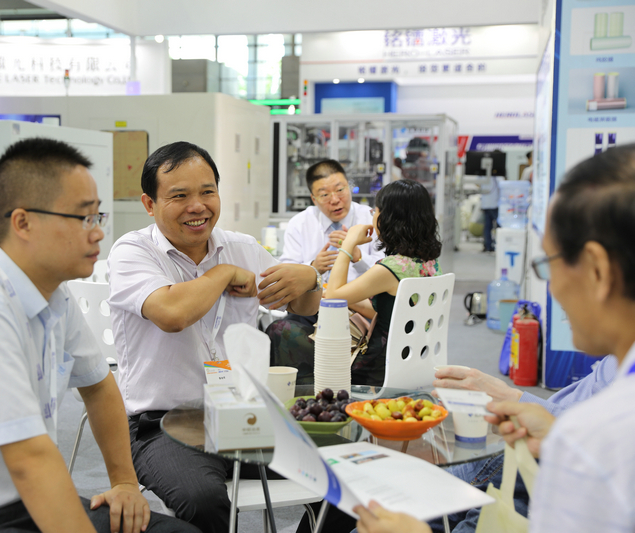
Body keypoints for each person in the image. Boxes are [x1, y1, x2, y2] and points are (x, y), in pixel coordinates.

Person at [0, 138, 198, 533]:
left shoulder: (53, 295)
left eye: (97, 216)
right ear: (23, 223)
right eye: (82, 218)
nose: (97, 233)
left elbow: (99, 387)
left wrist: (126, 484)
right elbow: (30, 460)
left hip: (13, 503)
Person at [353, 144, 635, 533]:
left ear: (597, 270)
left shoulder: (603, 440)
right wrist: (530, 409)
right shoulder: (613, 382)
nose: (552, 289)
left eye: (548, 264)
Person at [107, 141, 322, 533]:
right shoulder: (132, 252)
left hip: (244, 415)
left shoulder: (242, 247)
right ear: (149, 204)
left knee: (344, 469)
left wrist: (310, 277)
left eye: (207, 191)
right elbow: (172, 314)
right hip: (162, 424)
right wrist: (222, 274)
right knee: (202, 499)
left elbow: (303, 305)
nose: (197, 206)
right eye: (179, 196)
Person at [427, 358, 617, 532]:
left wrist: (516, 400)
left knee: (426, 507)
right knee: (424, 498)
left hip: (557, 478)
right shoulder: (616, 362)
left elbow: (613, 450)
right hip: (530, 456)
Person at [268, 159, 384, 382]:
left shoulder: (370, 219)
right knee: (279, 331)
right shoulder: (300, 223)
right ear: (313, 199)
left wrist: (358, 257)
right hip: (312, 309)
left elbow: (386, 268)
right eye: (324, 194)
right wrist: (312, 269)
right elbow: (287, 271)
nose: (335, 199)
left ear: (349, 187)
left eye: (340, 190)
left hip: (359, 311)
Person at [326, 179, 442, 386]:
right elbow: (393, 313)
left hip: (377, 367)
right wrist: (349, 298)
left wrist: (348, 243)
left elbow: (334, 296)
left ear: (388, 219)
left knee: (287, 333)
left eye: (375, 211)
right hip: (412, 360)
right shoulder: (428, 263)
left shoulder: (391, 268)